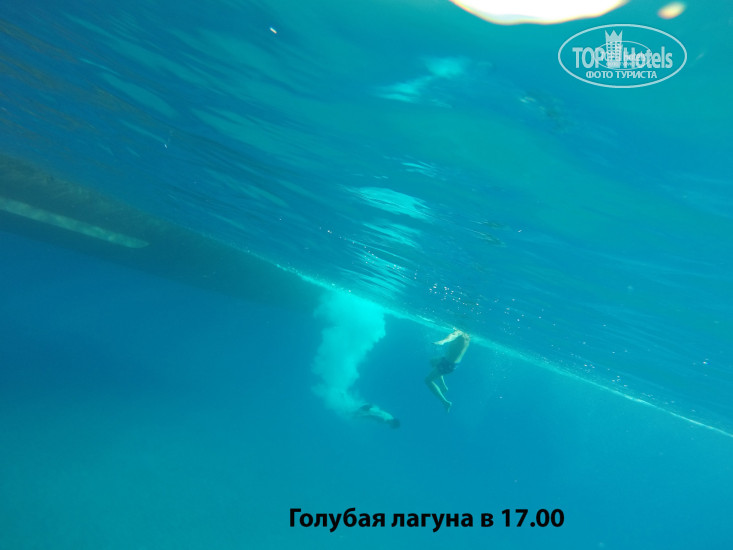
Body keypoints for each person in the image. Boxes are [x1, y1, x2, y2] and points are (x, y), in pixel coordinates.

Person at [425, 329, 470, 412]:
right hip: (450, 362)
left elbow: (453, 336)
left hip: (447, 364)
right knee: (432, 361)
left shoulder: (460, 332)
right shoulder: (467, 337)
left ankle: (445, 402)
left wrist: (443, 341)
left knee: (427, 380)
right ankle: (443, 385)